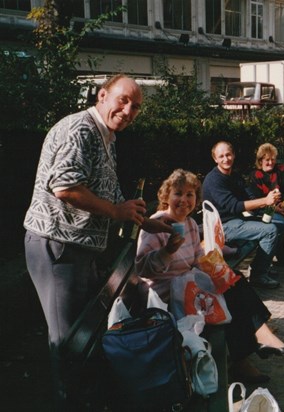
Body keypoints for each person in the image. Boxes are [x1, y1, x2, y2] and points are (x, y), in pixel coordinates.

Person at [23, 74, 174, 409]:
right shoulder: (81, 129)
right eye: (123, 100)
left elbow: (114, 198)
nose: (129, 110)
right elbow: (64, 187)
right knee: (68, 341)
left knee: (82, 334)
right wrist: (116, 211)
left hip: (80, 249)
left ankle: (82, 400)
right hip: (57, 247)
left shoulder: (106, 136)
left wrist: (156, 224)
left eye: (135, 106)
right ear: (102, 95)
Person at [135, 169, 284, 383]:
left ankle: (254, 344)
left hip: (187, 287)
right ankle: (250, 350)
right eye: (178, 194)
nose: (184, 200)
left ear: (196, 199)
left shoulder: (191, 224)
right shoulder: (156, 225)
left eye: (190, 195)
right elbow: (143, 269)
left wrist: (217, 263)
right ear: (166, 196)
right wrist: (167, 252)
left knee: (232, 279)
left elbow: (196, 258)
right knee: (227, 293)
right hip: (166, 296)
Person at [202, 141, 284, 289]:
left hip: (237, 220)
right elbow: (234, 206)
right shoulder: (214, 179)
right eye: (221, 156)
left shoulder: (235, 176)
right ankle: (258, 275)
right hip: (222, 226)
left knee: (280, 224)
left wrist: (272, 205)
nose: (225, 159)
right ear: (215, 159)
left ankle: (262, 266)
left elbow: (250, 197)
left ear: (233, 155)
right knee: (270, 230)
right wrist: (265, 200)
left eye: (228, 154)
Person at [248, 143, 284, 267]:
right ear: (261, 160)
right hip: (266, 209)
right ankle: (281, 256)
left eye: (273, 159)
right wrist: (276, 209)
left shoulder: (281, 170)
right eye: (267, 160)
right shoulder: (255, 176)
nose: (270, 162)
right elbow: (257, 199)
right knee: (281, 223)